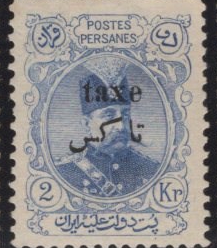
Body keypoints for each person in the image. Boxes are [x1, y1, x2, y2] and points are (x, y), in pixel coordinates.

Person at [54, 59, 160, 198]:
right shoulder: (64, 171)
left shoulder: (151, 169)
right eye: (109, 115)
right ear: (86, 124)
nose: (121, 126)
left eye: (125, 114)